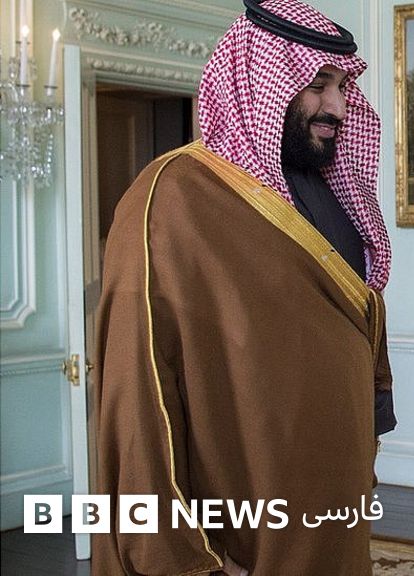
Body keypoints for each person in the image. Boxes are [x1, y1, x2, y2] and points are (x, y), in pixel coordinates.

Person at [92, 1, 395, 574]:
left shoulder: (330, 191)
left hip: (335, 495)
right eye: (317, 86)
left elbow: (354, 316)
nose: (337, 106)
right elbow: (139, 392)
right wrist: (184, 552)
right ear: (258, 81)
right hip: (243, 526)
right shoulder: (171, 198)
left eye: (341, 87)